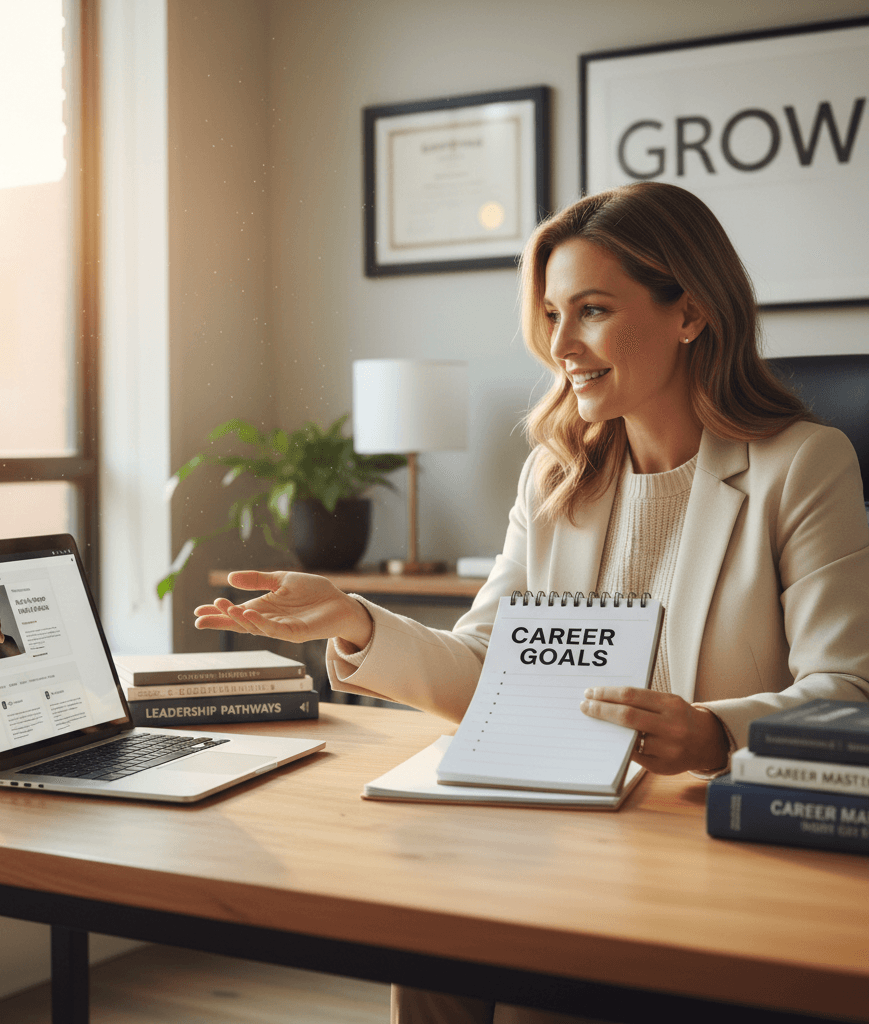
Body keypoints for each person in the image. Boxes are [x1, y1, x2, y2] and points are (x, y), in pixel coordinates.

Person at [194, 182, 869, 1024]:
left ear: (689, 313)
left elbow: (845, 693)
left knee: (528, 1003)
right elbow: (489, 670)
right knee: (431, 949)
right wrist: (355, 620)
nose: (562, 346)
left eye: (590, 311)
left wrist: (710, 731)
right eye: (552, 315)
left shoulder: (801, 466)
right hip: (561, 833)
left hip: (704, 853)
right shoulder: (557, 473)